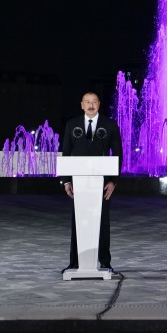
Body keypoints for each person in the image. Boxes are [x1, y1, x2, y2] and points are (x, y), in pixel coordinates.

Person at [61, 92, 123, 273]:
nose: (90, 105)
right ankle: (74, 262)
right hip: (79, 181)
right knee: (78, 221)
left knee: (103, 221)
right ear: (81, 105)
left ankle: (104, 261)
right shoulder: (72, 124)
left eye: (94, 102)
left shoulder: (109, 125)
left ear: (99, 104)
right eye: (87, 102)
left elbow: (118, 154)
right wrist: (66, 181)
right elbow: (66, 153)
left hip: (101, 182)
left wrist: (113, 181)